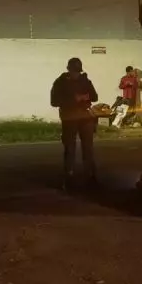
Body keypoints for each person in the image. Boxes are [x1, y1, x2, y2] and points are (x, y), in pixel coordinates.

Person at [50, 57, 98, 191]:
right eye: (74, 71)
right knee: (70, 149)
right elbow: (54, 101)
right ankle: (69, 176)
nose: (76, 74)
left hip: (85, 117)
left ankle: (90, 176)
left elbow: (94, 96)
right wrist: (73, 99)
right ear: (68, 70)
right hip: (69, 118)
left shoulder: (85, 81)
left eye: (77, 71)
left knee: (88, 148)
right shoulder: (60, 82)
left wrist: (85, 97)